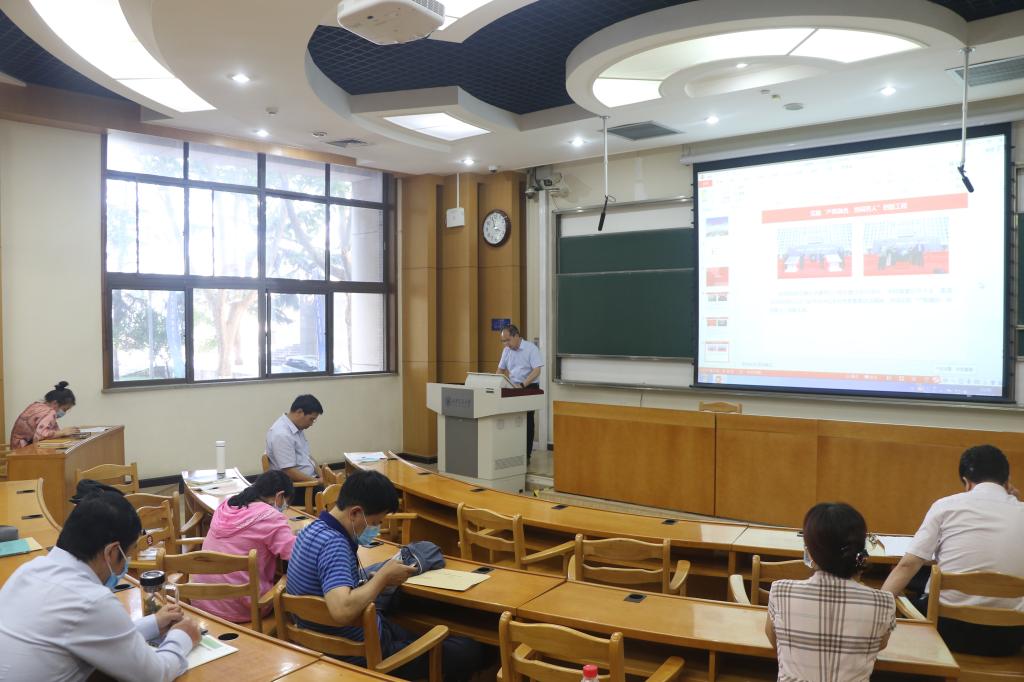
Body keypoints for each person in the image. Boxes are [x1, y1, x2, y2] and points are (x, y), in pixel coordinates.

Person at [286, 470, 483, 680]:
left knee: (421, 631)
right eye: (375, 522)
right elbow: (342, 610)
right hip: (362, 656)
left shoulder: (311, 530)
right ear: (355, 513)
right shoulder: (335, 545)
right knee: (469, 650)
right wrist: (383, 577)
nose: (377, 530)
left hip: (322, 641)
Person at [0, 488, 201, 681]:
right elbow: (155, 675)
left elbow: (96, 635)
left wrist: (154, 623)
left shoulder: (28, 570)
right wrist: (182, 636)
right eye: (127, 554)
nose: (126, 564)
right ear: (112, 552)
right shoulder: (91, 600)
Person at [881, 444, 1024, 656]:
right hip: (1009, 640)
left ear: (966, 482)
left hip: (946, 633)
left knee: (915, 581)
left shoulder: (945, 506)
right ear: (1007, 480)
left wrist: (876, 607)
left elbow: (908, 565)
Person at [766, 502, 895, 682]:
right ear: (860, 552)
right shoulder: (884, 602)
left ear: (810, 552)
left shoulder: (780, 592)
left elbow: (774, 640)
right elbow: (879, 645)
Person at [191, 470, 296, 622]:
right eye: (286, 503)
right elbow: (294, 553)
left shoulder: (225, 506)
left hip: (201, 598)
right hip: (242, 608)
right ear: (279, 496)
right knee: (288, 581)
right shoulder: (271, 517)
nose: (284, 508)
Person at [496, 323, 543, 463]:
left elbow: (537, 370)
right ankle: (512, 453)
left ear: (516, 336)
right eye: (503, 341)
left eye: (508, 340)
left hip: (529, 387)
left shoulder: (531, 348)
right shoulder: (506, 351)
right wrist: (495, 384)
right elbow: (500, 370)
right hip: (512, 387)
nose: (506, 344)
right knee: (511, 420)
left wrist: (522, 385)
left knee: (527, 421)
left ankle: (526, 455)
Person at [266, 394, 324, 503]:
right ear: (299, 412)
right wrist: (317, 482)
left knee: (341, 490)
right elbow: (289, 471)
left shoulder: (296, 428)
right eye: (311, 419)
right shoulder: (281, 434)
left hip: (309, 481)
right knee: (339, 498)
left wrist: (322, 476)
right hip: (296, 488)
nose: (311, 424)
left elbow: (308, 457)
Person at [9, 380, 80, 448]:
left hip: (16, 447)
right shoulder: (49, 412)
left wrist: (63, 433)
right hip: (24, 449)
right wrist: (62, 432)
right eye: (64, 409)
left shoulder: (37, 406)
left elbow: (51, 429)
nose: (64, 413)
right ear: (55, 403)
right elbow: (41, 435)